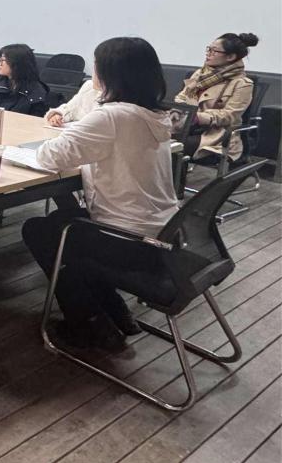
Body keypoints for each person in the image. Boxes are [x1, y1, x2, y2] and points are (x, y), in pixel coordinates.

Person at [21, 37, 178, 352]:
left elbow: (49, 156)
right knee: (62, 220)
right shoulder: (154, 115)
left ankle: (89, 323)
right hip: (164, 232)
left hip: (127, 238)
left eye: (96, 64)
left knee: (40, 231)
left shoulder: (111, 116)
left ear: (111, 73)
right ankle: (115, 310)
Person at [174, 32, 259, 162]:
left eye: (214, 51)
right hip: (186, 125)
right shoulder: (200, 73)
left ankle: (174, 175)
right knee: (156, 137)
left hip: (217, 136)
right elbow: (183, 96)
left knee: (174, 146)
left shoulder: (243, 84)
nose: (208, 54)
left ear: (230, 57)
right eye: (208, 49)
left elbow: (229, 115)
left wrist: (198, 117)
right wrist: (177, 109)